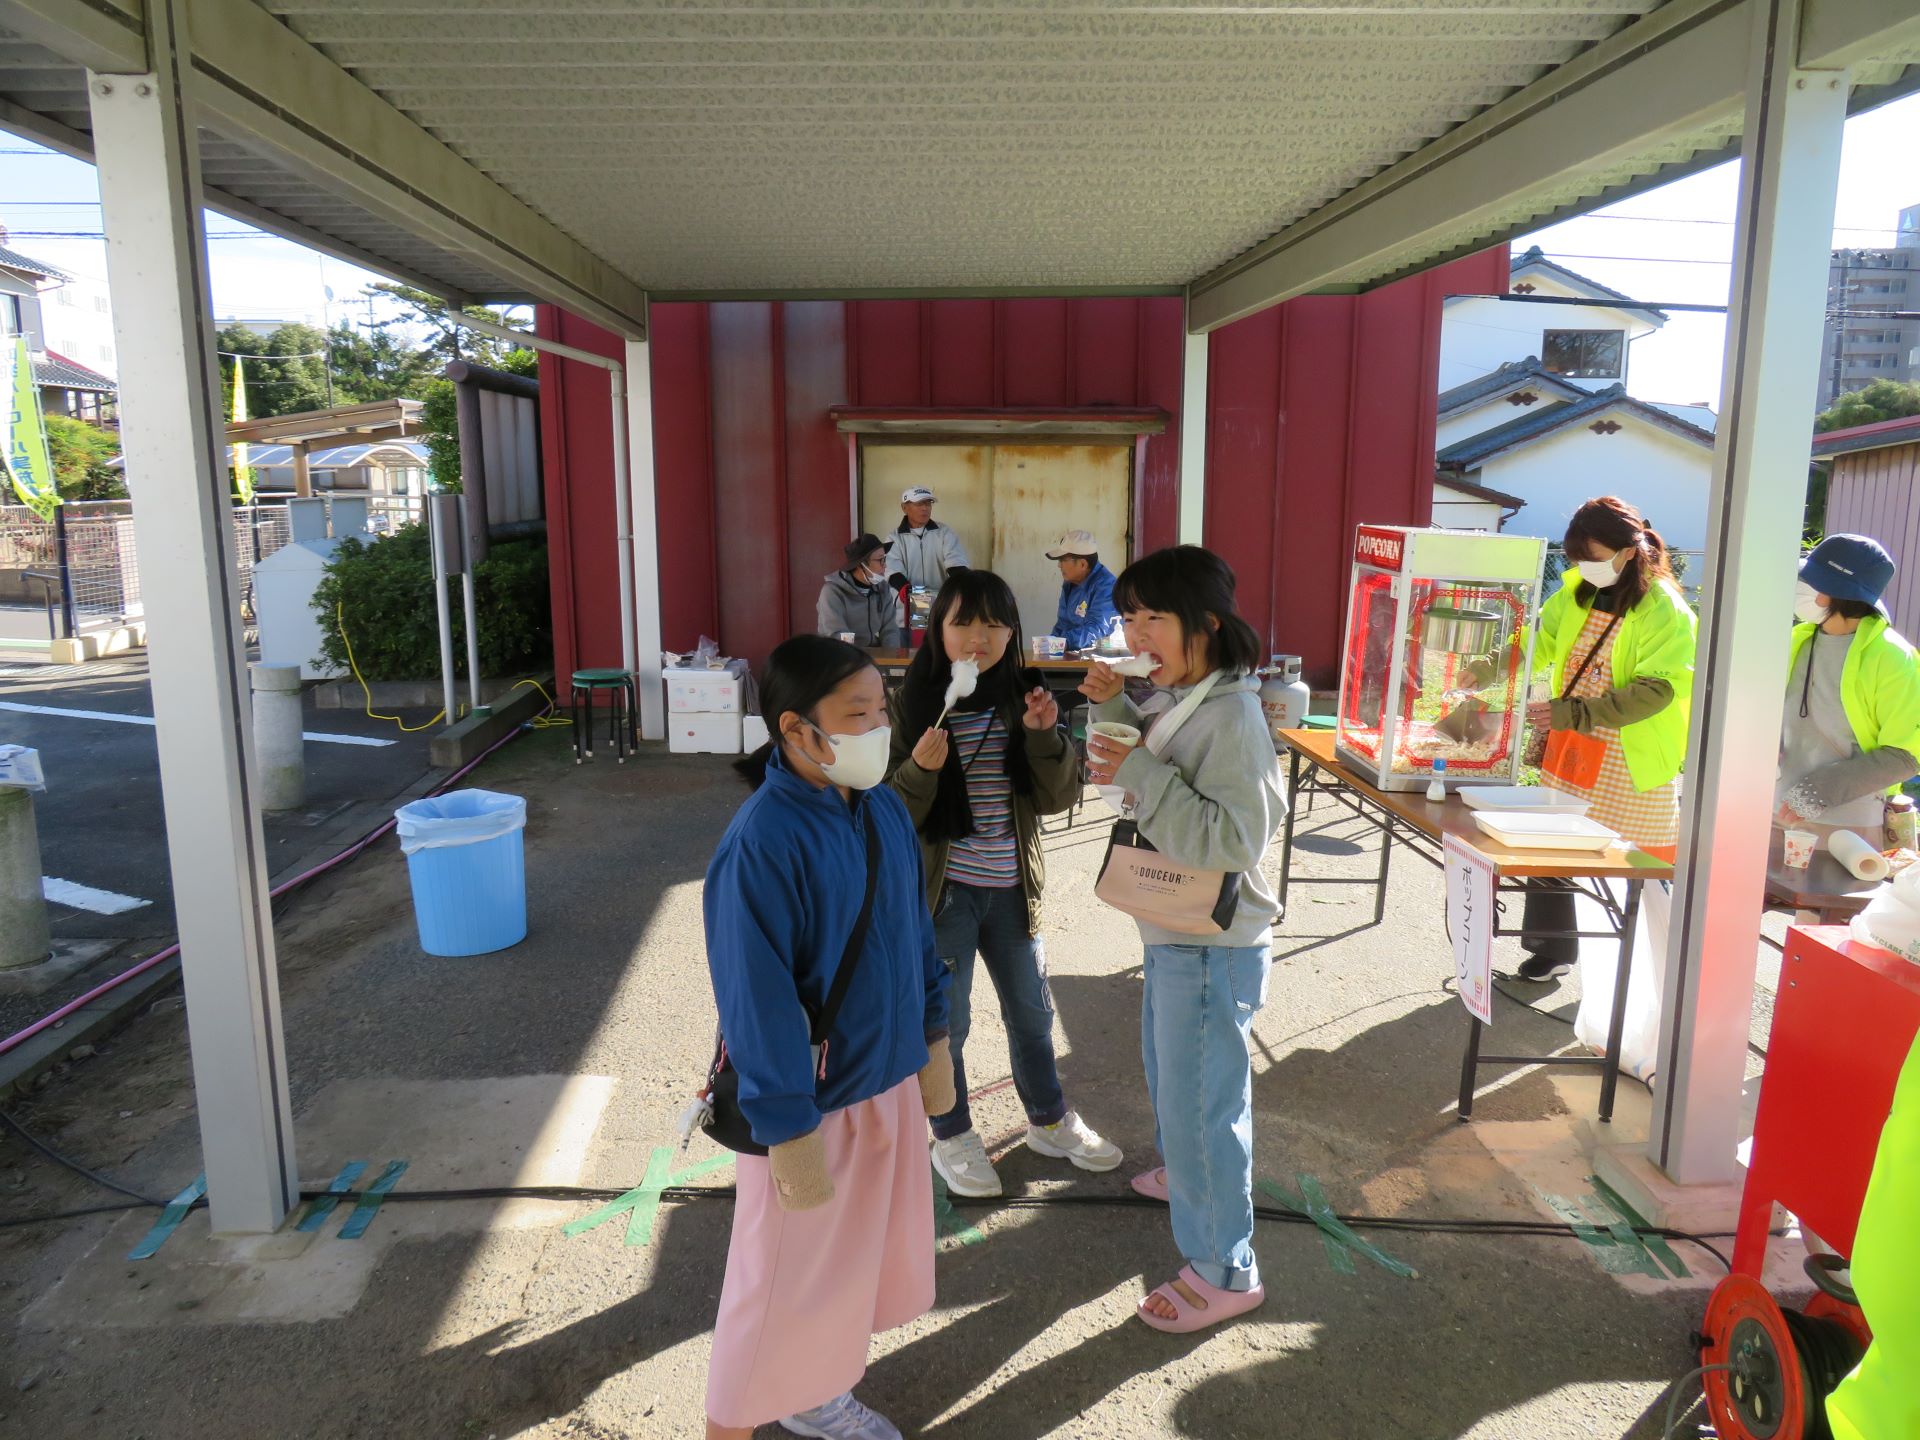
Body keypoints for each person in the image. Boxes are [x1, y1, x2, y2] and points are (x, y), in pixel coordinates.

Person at [702, 635, 953, 1440]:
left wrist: (935, 1037)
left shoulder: (879, 805)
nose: (879, 729)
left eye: (882, 711)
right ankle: (729, 1427)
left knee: (847, 1271)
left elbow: (915, 933)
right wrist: (787, 1128)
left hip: (886, 1081)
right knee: (776, 1286)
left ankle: (816, 1397)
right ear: (796, 728)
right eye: (857, 715)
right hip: (812, 1106)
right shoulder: (762, 839)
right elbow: (756, 1000)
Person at [1079, 545, 1286, 1335]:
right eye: (1128, 616)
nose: (1135, 633)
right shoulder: (1190, 695)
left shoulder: (1232, 716)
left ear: (1208, 622)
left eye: (1153, 616)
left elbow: (1235, 840)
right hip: (1179, 929)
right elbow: (1136, 764)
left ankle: (1225, 1268)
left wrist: (1137, 759)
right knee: (1177, 1084)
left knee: (1203, 1108)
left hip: (1209, 943)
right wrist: (1114, 708)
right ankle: (1187, 1179)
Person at [885, 569, 1120, 1199]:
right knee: (949, 1025)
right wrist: (919, 771)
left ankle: (1048, 1120)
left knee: (1033, 1014)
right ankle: (952, 1133)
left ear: (1012, 632)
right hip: (944, 895)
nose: (978, 638)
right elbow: (888, 812)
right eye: (963, 622)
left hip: (1014, 889)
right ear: (938, 629)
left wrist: (1044, 737)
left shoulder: (1027, 695)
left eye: (994, 624)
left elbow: (1057, 798)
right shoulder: (913, 701)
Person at [1520, 497, 1697, 1082]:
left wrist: (1573, 712)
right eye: (1576, 558)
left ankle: (1648, 1011)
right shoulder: (1577, 590)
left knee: (1637, 884)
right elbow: (1537, 640)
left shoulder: (1664, 608)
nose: (1582, 566)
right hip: (1574, 748)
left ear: (1627, 552)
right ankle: (1555, 954)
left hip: (1630, 759)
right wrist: (1491, 663)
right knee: (1558, 856)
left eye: (1590, 556)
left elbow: (1656, 692)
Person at [1775, 533, 1920, 841]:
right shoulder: (1797, 640)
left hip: (1847, 828)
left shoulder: (1893, 656)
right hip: (1777, 813)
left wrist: (1820, 791)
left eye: (1809, 580)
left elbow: (1906, 755)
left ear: (1828, 593)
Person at [816, 533, 903, 648]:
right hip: (841, 654)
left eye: (885, 559)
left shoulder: (882, 588)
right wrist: (859, 658)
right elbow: (838, 635)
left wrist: (889, 655)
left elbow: (890, 629)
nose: (885, 565)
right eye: (880, 560)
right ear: (861, 565)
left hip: (873, 654)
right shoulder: (832, 592)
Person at [884, 485, 969, 598]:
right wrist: (909, 592)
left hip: (940, 599)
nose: (925, 508)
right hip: (907, 601)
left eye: (928, 503)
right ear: (904, 508)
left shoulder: (944, 532)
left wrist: (965, 584)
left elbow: (955, 562)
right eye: (919, 503)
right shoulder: (894, 538)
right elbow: (893, 571)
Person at [1047, 529, 1119, 651]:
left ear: (1083, 564)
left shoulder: (1106, 586)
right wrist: (1049, 643)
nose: (1059, 565)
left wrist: (1062, 643)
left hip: (1102, 658)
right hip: (1074, 656)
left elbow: (1097, 630)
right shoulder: (1070, 583)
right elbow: (1062, 624)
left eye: (1063, 560)